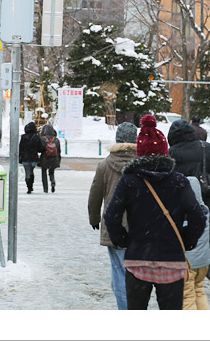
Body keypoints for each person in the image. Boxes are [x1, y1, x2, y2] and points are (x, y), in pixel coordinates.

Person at [104, 114, 206, 310]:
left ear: (140, 153)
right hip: (172, 260)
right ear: (165, 152)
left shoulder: (129, 181)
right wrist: (186, 240)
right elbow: (197, 215)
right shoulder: (179, 181)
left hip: (137, 259)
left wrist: (123, 241)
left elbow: (111, 216)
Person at [167, 118, 210, 291]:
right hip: (207, 201)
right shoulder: (206, 148)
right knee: (204, 234)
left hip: (181, 203)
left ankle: (186, 272)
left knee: (182, 236)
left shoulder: (170, 152)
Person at [87, 122, 138, 309]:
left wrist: (93, 218)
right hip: (140, 226)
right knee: (136, 274)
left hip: (113, 226)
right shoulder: (143, 162)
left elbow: (95, 194)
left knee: (119, 272)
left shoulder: (105, 165)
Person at [183, 176, 210, 310]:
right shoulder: (205, 210)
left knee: (187, 295)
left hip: (188, 262)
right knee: (199, 290)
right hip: (203, 262)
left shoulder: (184, 213)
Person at [19, 122, 42, 194]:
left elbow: (20, 148)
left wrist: (20, 157)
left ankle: (28, 186)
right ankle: (31, 185)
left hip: (25, 158)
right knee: (31, 171)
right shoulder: (37, 137)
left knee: (27, 172)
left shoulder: (23, 137)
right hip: (34, 157)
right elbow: (40, 148)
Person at [38, 124, 61, 193]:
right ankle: (52, 181)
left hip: (45, 158)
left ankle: (45, 189)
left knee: (44, 173)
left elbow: (40, 149)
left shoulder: (42, 139)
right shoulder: (56, 140)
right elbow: (59, 151)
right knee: (51, 172)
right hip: (54, 158)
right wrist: (58, 160)